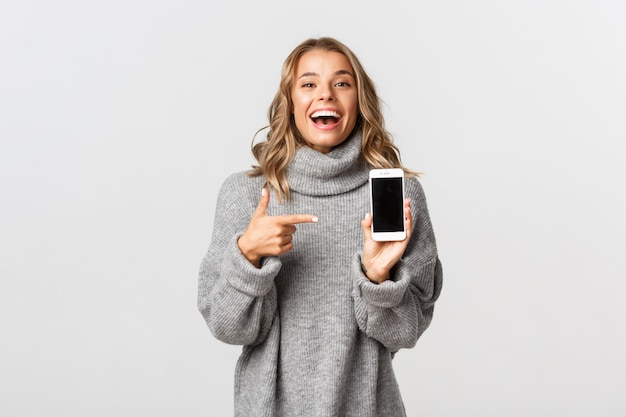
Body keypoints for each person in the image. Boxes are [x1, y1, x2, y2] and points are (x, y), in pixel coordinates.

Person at [198, 36, 443, 417]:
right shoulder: (247, 194)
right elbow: (229, 328)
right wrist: (248, 256)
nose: (326, 94)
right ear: (290, 103)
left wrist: (377, 279)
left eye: (342, 83)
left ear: (359, 101)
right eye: (308, 84)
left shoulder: (397, 194)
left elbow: (406, 332)